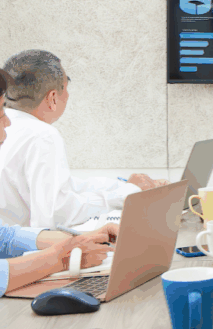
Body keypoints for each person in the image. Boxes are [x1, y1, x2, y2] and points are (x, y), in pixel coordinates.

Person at [0, 50, 167, 229]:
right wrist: (128, 192)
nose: (68, 96)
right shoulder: (42, 135)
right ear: (52, 98)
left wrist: (124, 186)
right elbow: (59, 213)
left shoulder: (10, 124)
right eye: (66, 87)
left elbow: (67, 187)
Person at [0, 68, 117, 296]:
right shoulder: (43, 135)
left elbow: (4, 238)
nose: (8, 123)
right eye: (1, 114)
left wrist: (81, 240)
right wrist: (62, 259)